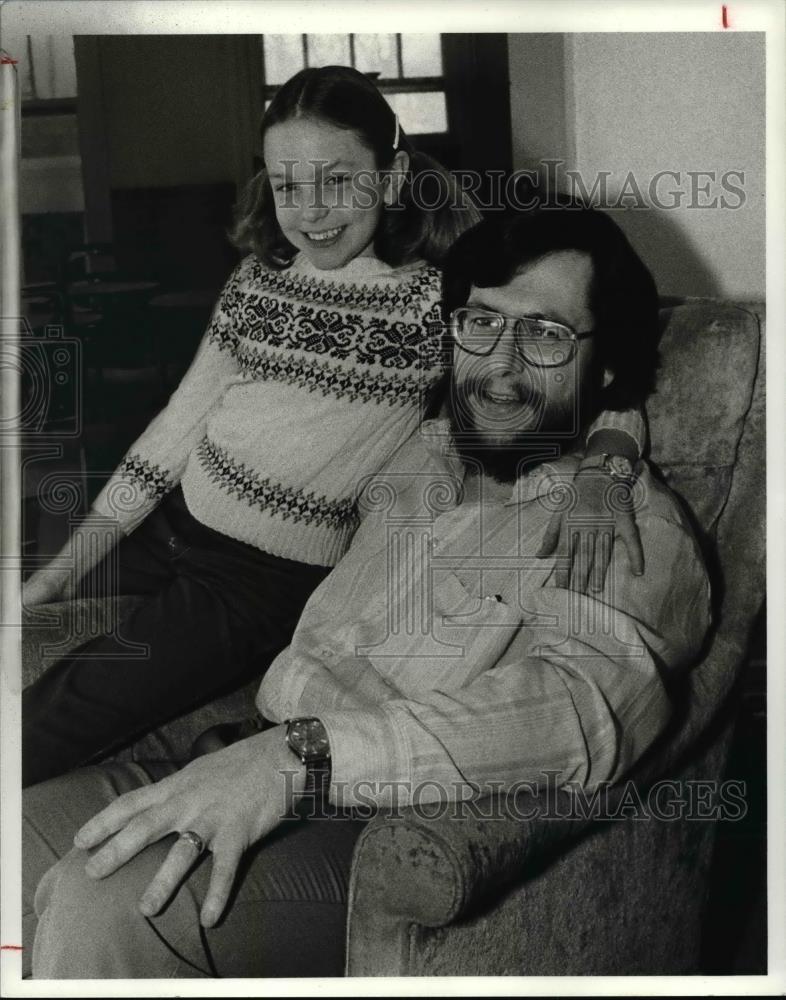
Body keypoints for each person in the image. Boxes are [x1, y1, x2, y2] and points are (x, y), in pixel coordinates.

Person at [23, 204, 710, 978]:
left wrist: (303, 758)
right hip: (235, 754)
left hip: (375, 825)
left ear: (606, 361)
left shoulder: (622, 522)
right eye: (480, 323)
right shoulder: (422, 450)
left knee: (100, 902)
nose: (502, 365)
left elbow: (577, 712)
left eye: (546, 335)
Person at [22, 66, 645, 787]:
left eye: (337, 180)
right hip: (174, 520)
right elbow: (175, 431)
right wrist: (63, 571)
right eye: (287, 185)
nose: (310, 211)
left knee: (66, 710)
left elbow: (607, 375)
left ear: (391, 176)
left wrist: (611, 465)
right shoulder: (258, 280)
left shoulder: (436, 302)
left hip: (256, 582)